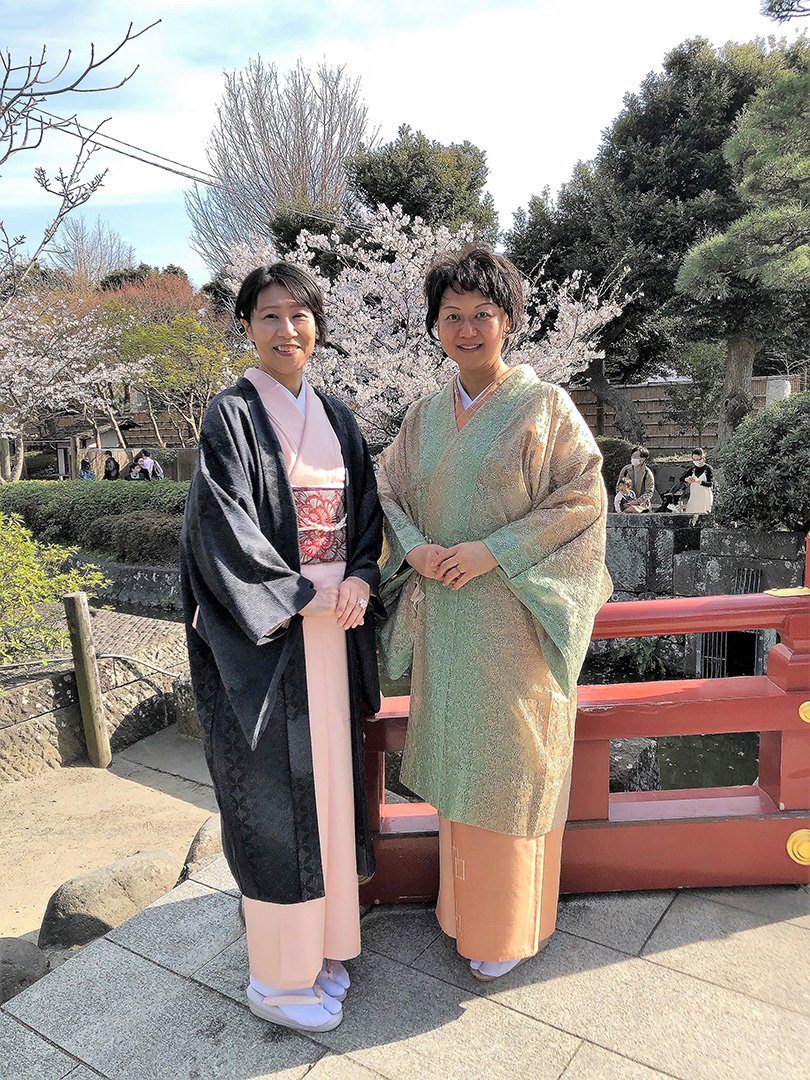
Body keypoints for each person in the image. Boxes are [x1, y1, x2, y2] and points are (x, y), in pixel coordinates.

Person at [377, 246, 612, 982]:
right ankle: (462, 913)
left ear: (508, 321)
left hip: (514, 621)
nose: (468, 329)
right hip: (448, 622)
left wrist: (494, 551)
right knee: (460, 764)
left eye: (483, 314)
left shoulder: (546, 408)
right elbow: (386, 493)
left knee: (509, 766)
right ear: (434, 326)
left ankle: (507, 928)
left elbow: (583, 498)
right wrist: (414, 549)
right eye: (452, 316)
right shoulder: (423, 416)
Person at [180, 262, 383, 1033]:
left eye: (300, 315)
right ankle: (277, 976)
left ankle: (326, 946)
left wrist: (359, 576)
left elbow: (365, 516)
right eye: (269, 316)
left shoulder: (337, 416)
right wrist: (300, 596)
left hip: (334, 632)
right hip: (270, 641)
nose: (286, 330)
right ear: (246, 327)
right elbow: (219, 528)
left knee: (328, 792)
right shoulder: (229, 416)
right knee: (274, 799)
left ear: (317, 326)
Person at [616, 446, 655, 512]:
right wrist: (623, 498)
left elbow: (649, 491)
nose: (633, 458)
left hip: (642, 505)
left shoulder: (647, 473)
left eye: (636, 456)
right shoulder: (626, 470)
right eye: (632, 456)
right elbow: (618, 486)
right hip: (626, 504)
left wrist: (638, 501)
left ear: (643, 459)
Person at [679, 447, 713, 514]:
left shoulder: (708, 469)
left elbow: (710, 483)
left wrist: (699, 481)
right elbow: (681, 478)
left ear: (702, 458)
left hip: (704, 498)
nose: (696, 461)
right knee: (690, 513)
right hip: (694, 497)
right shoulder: (693, 469)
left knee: (704, 514)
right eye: (694, 459)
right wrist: (687, 479)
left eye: (698, 459)